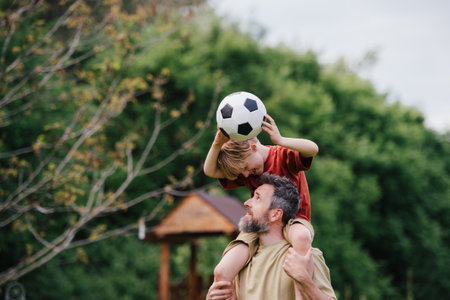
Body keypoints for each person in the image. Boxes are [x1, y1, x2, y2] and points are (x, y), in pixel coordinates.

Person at [203, 114, 319, 286]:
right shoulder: (248, 172)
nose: (245, 175)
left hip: (295, 220)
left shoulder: (281, 155)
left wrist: (281, 140)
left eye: (244, 168)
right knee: (223, 269)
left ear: (253, 147)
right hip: (260, 224)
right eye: (241, 173)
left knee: (301, 237)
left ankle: (302, 290)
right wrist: (216, 144)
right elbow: (210, 171)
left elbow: (312, 148)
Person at [206, 173, 336, 300]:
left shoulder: (305, 257)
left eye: (257, 198)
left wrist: (304, 280)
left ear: (275, 214)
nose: (246, 203)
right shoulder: (241, 262)